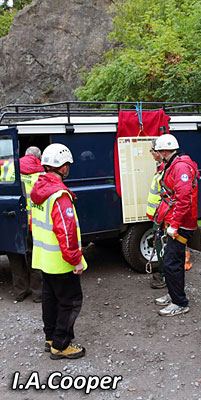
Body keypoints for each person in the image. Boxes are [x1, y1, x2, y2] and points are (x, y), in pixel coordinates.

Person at [30, 143, 87, 360]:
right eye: (68, 165)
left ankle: (51, 338)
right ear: (63, 167)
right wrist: (76, 260)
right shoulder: (59, 195)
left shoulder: (38, 188)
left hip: (45, 259)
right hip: (61, 261)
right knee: (70, 301)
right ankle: (61, 345)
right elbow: (67, 230)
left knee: (50, 298)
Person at [153, 134, 199, 317]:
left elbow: (183, 198)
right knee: (173, 260)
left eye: (158, 151)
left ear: (164, 151)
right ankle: (174, 294)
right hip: (175, 221)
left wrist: (175, 224)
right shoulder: (173, 165)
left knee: (172, 262)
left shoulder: (180, 167)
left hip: (181, 224)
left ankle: (179, 302)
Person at [7, 146, 44, 302]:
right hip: (34, 224)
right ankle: (38, 294)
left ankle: (21, 291)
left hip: (12, 222)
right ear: (39, 157)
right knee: (36, 258)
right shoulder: (43, 173)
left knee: (15, 257)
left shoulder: (10, 169)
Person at [146, 139, 166, 289]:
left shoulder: (167, 170)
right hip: (158, 217)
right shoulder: (162, 168)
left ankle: (164, 277)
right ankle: (163, 274)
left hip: (163, 218)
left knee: (163, 248)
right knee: (159, 246)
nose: (151, 153)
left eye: (152, 150)